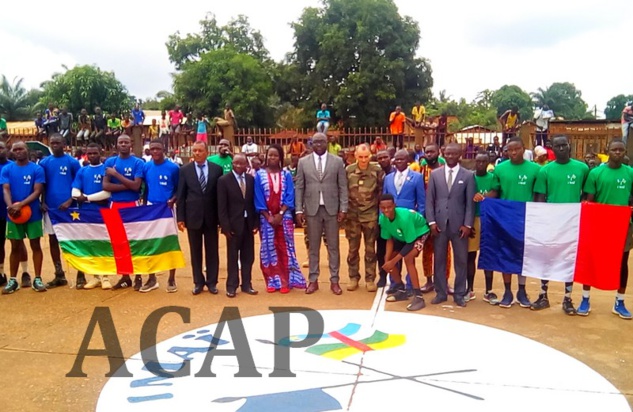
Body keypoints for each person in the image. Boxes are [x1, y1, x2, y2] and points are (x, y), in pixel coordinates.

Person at [531, 135, 589, 314]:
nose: (562, 148)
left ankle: (568, 298)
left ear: (569, 146)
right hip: (551, 221)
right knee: (546, 258)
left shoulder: (582, 168)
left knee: (568, 259)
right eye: (558, 146)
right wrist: (542, 220)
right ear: (552, 148)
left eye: (564, 145)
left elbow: (587, 195)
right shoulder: (545, 171)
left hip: (572, 223)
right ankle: (543, 295)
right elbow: (540, 197)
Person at [579, 139, 633, 319]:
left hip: (622, 225)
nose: (618, 153)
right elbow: (590, 200)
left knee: (621, 263)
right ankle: (585, 298)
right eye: (614, 150)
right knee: (592, 260)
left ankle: (619, 301)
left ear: (624, 152)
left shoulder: (630, 173)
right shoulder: (596, 173)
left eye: (621, 150)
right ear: (607, 151)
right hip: (599, 225)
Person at [489, 137, 541, 308]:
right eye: (510, 150)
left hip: (526, 220)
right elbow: (495, 192)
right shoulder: (500, 169)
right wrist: (483, 199)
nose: (513, 153)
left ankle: (522, 291)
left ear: (524, 148)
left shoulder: (535, 169)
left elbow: (538, 195)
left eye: (517, 149)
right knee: (506, 255)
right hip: (505, 220)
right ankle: (507, 292)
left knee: (522, 256)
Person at [295, 132, 348, 295]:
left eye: (322, 141)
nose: (318, 144)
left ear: (327, 143)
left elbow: (342, 186)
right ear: (311, 143)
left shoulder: (337, 161)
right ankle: (313, 280)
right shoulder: (303, 162)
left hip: (332, 209)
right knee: (313, 247)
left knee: (333, 246)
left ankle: (334, 280)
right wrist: (298, 209)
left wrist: (343, 208)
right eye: (315, 142)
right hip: (312, 209)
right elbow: (300, 187)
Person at [426, 143, 475, 307]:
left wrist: (467, 224)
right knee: (439, 259)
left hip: (459, 226)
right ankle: (440, 292)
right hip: (439, 225)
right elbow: (430, 201)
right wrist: (431, 222)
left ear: (460, 155)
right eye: (448, 154)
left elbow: (470, 203)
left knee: (461, 260)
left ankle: (460, 294)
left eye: (454, 154)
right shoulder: (435, 174)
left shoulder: (468, 175)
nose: (451, 157)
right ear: (443, 154)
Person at [255, 144, 306, 293]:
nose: (272, 158)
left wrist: (281, 214)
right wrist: (268, 216)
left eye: (275, 155)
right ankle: (272, 281)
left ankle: (286, 281)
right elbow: (258, 198)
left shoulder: (286, 175)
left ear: (280, 158)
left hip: (285, 217)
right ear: (266, 156)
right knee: (268, 248)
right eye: (270, 155)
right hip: (266, 218)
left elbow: (290, 195)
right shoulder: (260, 175)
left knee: (285, 248)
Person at [177, 140, 223, 295]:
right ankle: (198, 282)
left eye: (200, 151)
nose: (196, 153)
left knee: (212, 250)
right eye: (194, 151)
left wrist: (221, 218)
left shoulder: (217, 170)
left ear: (206, 152)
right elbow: (181, 195)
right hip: (192, 216)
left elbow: (219, 196)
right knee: (195, 251)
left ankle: (212, 282)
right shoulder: (185, 170)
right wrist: (180, 217)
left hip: (211, 217)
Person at [0, 141, 47, 294]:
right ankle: (13, 280)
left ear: (27, 150)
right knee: (15, 246)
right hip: (13, 215)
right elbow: (5, 189)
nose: (18, 152)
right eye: (15, 149)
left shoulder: (36, 169)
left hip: (32, 213)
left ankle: (38, 278)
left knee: (35, 245)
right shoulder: (7, 169)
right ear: (12, 152)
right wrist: (10, 206)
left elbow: (37, 191)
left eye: (21, 149)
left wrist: (20, 205)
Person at [102, 135, 146, 290]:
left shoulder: (138, 162)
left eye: (126, 142)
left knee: (135, 241)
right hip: (114, 205)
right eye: (120, 142)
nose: (123, 144)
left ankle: (138, 276)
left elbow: (137, 187)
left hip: (132, 205)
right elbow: (106, 186)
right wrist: (128, 185)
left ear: (131, 144)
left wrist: (116, 175)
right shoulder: (110, 162)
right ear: (117, 144)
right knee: (118, 242)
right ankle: (125, 276)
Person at [39, 133, 81, 288]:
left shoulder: (73, 162)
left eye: (57, 142)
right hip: (51, 208)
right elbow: (42, 185)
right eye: (52, 143)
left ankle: (80, 273)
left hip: (70, 209)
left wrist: (70, 200)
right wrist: (42, 202)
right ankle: (59, 274)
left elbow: (78, 184)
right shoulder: (44, 163)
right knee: (53, 240)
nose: (54, 145)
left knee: (74, 239)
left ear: (64, 144)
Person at [217, 154, 259, 298]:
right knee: (233, 257)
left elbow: (254, 203)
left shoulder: (250, 180)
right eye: (236, 163)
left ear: (247, 165)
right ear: (233, 164)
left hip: (248, 224)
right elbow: (221, 207)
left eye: (242, 164)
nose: (239, 166)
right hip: (233, 226)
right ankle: (231, 286)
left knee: (248, 257)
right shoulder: (224, 181)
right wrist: (225, 227)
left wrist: (255, 223)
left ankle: (247, 284)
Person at [379, 194, 430, 311]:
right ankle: (401, 289)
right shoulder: (382, 219)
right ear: (380, 208)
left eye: (389, 207)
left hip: (419, 233)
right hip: (403, 236)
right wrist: (387, 261)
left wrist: (392, 262)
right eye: (383, 208)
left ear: (394, 206)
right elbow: (389, 239)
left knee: (408, 258)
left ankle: (418, 296)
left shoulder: (404, 218)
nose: (386, 210)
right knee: (389, 258)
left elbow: (410, 243)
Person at [71, 143, 112, 289]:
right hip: (86, 213)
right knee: (91, 244)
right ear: (86, 154)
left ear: (100, 153)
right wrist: (82, 197)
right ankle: (95, 277)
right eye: (90, 153)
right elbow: (74, 192)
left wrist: (86, 197)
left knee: (104, 244)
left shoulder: (106, 170)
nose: (92, 156)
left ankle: (105, 276)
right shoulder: (82, 171)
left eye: (95, 153)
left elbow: (107, 194)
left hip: (102, 212)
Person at [142, 139, 180, 293]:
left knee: (170, 243)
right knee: (150, 244)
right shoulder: (146, 167)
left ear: (164, 149)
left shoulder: (173, 168)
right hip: (151, 208)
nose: (155, 152)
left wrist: (173, 199)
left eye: (158, 148)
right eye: (152, 149)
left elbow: (179, 189)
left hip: (167, 209)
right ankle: (152, 279)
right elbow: (145, 188)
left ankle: (171, 278)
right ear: (149, 151)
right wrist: (144, 206)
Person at [345, 144, 384, 292]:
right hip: (353, 216)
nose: (363, 160)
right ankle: (353, 277)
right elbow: (344, 191)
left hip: (370, 216)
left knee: (370, 250)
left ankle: (370, 279)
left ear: (370, 156)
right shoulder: (348, 171)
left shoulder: (376, 170)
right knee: (353, 250)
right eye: (360, 157)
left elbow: (380, 191)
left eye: (366, 156)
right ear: (355, 156)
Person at [419, 143, 450, 293]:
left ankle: (444, 281)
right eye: (427, 152)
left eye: (432, 151)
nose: (429, 154)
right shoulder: (421, 169)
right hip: (426, 215)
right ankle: (429, 280)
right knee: (427, 249)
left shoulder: (446, 170)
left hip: (444, 215)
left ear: (439, 152)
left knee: (445, 250)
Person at [468, 152, 498, 303]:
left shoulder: (492, 177)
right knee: (470, 255)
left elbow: (496, 192)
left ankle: (489, 290)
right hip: (473, 218)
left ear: (488, 163)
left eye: (483, 162)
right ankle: (470, 289)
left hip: (488, 219)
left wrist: (484, 197)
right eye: (478, 161)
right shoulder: (469, 177)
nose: (480, 164)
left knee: (487, 255)